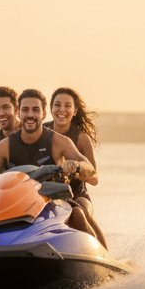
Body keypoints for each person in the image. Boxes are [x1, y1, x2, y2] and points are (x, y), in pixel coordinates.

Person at [0, 88, 103, 242]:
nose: (30, 115)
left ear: (43, 114)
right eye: (25, 110)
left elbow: (93, 173)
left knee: (78, 214)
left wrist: (77, 165)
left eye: (35, 110)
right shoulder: (4, 146)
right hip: (19, 206)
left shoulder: (59, 142)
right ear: (18, 113)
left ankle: (101, 258)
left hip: (54, 204)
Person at [45, 87, 107, 248]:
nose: (62, 110)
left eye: (67, 106)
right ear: (51, 108)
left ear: (75, 110)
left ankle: (103, 254)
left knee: (80, 211)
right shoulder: (42, 132)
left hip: (78, 194)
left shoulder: (81, 138)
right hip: (49, 195)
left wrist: (77, 169)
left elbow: (95, 179)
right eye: (57, 105)